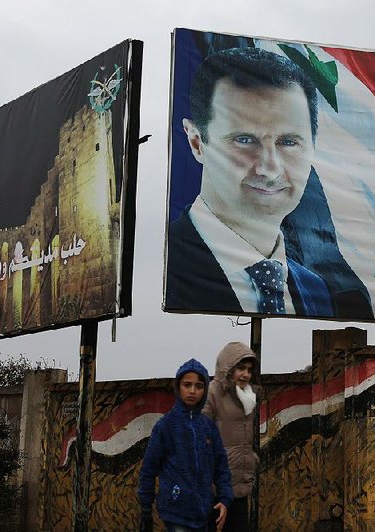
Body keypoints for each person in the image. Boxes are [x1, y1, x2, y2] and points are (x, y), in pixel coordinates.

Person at [165, 47, 334, 317]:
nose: (269, 169)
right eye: (244, 140)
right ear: (197, 142)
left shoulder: (317, 291)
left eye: (289, 142)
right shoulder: (163, 265)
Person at [138, 358, 233, 532]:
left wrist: (224, 499)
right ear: (178, 387)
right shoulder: (165, 425)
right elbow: (148, 470)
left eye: (198, 386)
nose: (192, 391)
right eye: (187, 384)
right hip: (175, 511)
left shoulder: (208, 427)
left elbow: (222, 467)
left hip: (205, 512)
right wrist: (145, 509)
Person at [203, 341, 259, 532]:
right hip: (215, 486)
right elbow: (201, 435)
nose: (246, 374)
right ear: (227, 368)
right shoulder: (212, 392)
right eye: (240, 368)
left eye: (249, 370)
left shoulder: (248, 396)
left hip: (240, 483)